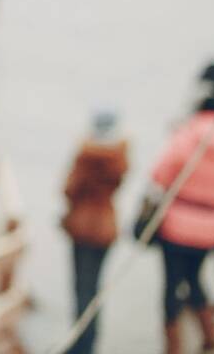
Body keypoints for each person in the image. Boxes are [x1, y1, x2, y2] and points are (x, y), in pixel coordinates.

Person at [151, 95, 214, 354]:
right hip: (211, 226)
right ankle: (210, 337)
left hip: (177, 224)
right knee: (195, 277)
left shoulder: (186, 136)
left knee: (171, 284)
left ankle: (173, 347)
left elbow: (159, 174)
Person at [60, 109, 128, 354]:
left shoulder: (86, 156)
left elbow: (69, 189)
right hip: (107, 225)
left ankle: (80, 345)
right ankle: (91, 342)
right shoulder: (119, 156)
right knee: (95, 288)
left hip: (84, 225)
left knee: (82, 288)